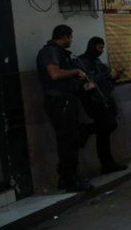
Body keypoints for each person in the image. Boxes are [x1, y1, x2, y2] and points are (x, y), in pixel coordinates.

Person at [36, 25, 94, 192]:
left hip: (66, 100)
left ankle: (69, 177)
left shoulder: (59, 53)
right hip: (59, 102)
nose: (71, 41)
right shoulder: (50, 52)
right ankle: (69, 179)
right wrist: (75, 71)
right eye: (70, 37)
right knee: (68, 140)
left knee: (71, 139)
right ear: (64, 36)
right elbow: (54, 74)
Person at [77, 37, 128, 174]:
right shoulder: (83, 61)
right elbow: (88, 81)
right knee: (106, 127)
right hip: (94, 101)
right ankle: (106, 161)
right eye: (100, 48)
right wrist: (105, 77)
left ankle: (107, 162)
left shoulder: (97, 61)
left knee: (106, 130)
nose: (101, 51)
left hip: (104, 98)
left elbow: (105, 79)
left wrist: (113, 77)